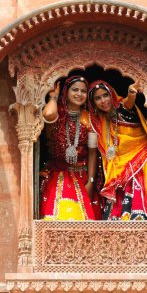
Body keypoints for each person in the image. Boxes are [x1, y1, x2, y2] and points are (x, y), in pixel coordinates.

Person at [88, 80, 147, 221]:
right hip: (118, 167)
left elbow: (128, 103)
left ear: (112, 94)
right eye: (98, 98)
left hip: (140, 159)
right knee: (118, 202)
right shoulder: (99, 120)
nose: (103, 101)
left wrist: (131, 93)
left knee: (139, 198)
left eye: (105, 95)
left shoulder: (121, 106)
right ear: (93, 102)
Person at [40, 75, 100, 221]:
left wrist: (91, 181)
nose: (79, 94)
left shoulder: (89, 118)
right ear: (66, 92)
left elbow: (92, 152)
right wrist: (53, 97)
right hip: (57, 174)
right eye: (75, 90)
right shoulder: (57, 114)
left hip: (81, 176)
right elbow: (48, 114)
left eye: (83, 91)